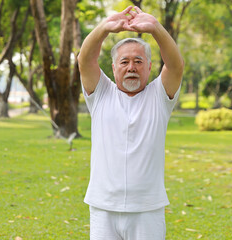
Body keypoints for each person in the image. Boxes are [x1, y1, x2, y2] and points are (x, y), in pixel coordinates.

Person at [77, 6, 184, 240]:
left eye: (138, 61)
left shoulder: (159, 96)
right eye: (124, 62)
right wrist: (104, 27)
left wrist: (155, 28)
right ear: (114, 68)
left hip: (147, 209)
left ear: (149, 67)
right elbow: (85, 59)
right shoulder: (101, 94)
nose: (131, 67)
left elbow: (175, 66)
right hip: (103, 207)